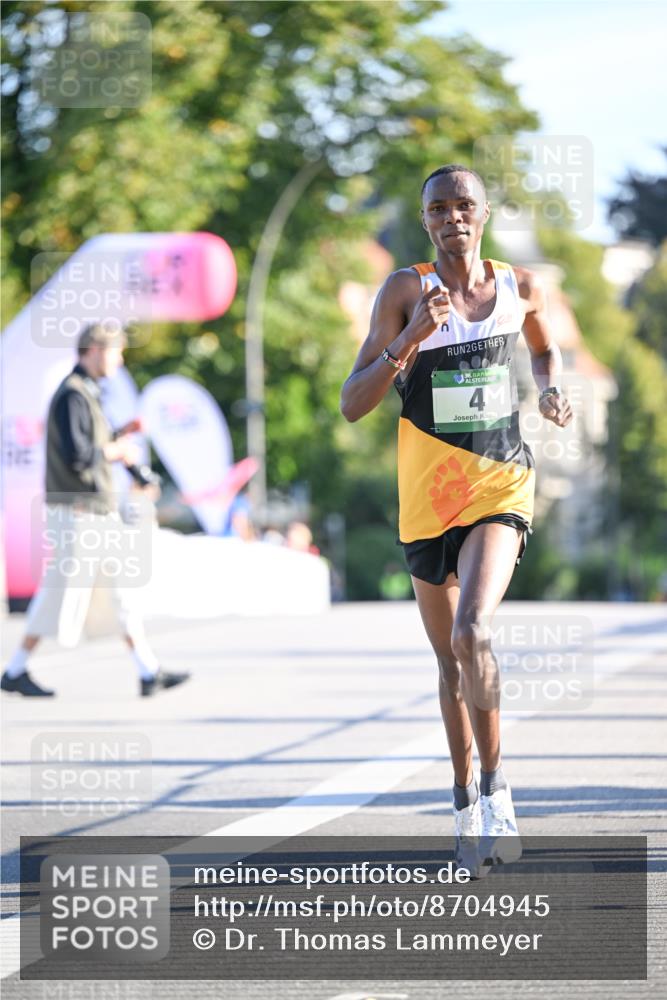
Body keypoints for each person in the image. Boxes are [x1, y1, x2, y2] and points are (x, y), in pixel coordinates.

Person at [340, 164, 573, 876]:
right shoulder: (404, 289)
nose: (451, 217)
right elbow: (353, 402)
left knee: (475, 630)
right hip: (426, 499)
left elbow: (542, 345)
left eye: (462, 205)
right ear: (425, 221)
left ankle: (497, 792)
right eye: (437, 208)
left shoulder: (517, 285)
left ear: (483, 212)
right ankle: (463, 797)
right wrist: (410, 334)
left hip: (498, 485)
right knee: (448, 661)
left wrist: (551, 386)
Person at [1, 323, 190, 698]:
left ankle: (147, 670)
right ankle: (15, 668)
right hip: (78, 510)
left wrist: (118, 438)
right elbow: (78, 456)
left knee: (120, 592)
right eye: (114, 351)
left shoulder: (85, 392)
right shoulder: (73, 394)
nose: (118, 360)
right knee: (60, 590)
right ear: (93, 350)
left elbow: (88, 447)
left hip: (93, 509)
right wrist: (116, 450)